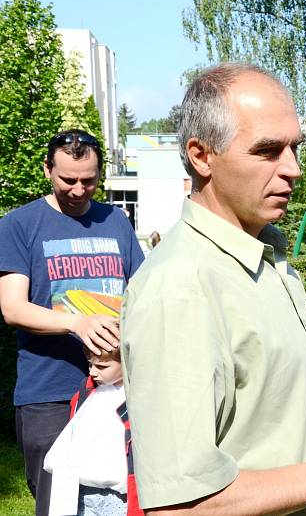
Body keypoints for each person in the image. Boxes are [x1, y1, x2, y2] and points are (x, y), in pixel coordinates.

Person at [119, 63, 306, 515]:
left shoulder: (266, 258)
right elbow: (182, 505)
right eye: (268, 151)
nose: (294, 169)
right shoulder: (180, 288)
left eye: (295, 148)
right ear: (201, 155)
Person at [0, 129, 144, 516]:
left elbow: (142, 299)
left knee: (119, 500)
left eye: (89, 180)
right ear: (47, 170)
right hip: (49, 394)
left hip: (118, 391)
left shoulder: (116, 221)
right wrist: (78, 323)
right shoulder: (19, 224)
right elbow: (12, 308)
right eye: (68, 180)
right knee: (57, 504)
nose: (79, 190)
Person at [43, 344, 142, 516]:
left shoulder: (136, 395)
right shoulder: (87, 391)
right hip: (80, 488)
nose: (93, 372)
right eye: (90, 364)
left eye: (102, 366)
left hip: (119, 493)